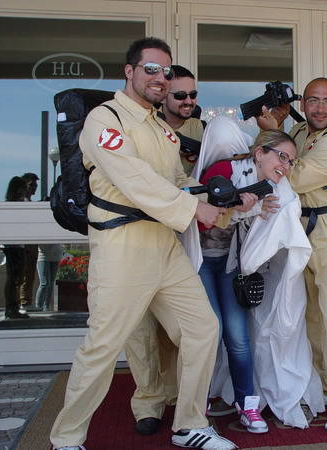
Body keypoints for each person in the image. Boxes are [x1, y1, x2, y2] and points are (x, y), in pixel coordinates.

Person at [49, 37, 236, 450]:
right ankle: (66, 438)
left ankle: (189, 424)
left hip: (164, 245)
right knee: (103, 346)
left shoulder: (162, 131)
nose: (159, 77)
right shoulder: (105, 119)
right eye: (151, 68)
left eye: (165, 71)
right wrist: (194, 209)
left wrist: (226, 199)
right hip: (123, 245)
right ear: (130, 71)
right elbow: (134, 179)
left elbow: (175, 182)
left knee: (202, 329)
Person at [184, 116, 324, 429]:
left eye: (291, 161)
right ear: (259, 153)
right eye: (282, 156)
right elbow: (200, 220)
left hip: (231, 264)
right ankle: (196, 403)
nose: (285, 165)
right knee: (210, 331)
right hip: (202, 261)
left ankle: (247, 404)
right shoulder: (223, 170)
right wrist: (243, 210)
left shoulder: (272, 185)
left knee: (238, 336)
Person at [257, 77, 327, 430]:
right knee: (312, 318)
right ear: (303, 103)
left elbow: (291, 177)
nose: (320, 108)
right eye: (313, 100)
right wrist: (278, 131)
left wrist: (271, 135)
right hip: (302, 228)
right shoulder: (300, 131)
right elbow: (273, 163)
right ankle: (326, 388)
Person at [125, 64, 204, 436]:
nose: (188, 101)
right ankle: (149, 403)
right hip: (134, 237)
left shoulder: (200, 129)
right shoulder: (141, 126)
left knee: (184, 327)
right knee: (140, 329)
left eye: (193, 95)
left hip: (180, 240)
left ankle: (179, 400)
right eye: (180, 95)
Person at [1, 176, 29, 319]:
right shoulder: (12, 206)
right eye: (24, 188)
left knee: (16, 277)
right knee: (13, 277)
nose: (25, 191)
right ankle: (11, 308)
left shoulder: (19, 204)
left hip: (17, 245)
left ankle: (13, 307)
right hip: (13, 246)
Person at [19, 172, 39, 313]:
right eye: (32, 185)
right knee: (24, 273)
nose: (34, 188)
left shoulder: (30, 202)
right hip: (23, 244)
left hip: (31, 243)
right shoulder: (21, 203)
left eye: (35, 185)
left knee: (30, 273)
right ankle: (23, 301)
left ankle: (27, 300)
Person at [35, 243, 62, 311]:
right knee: (44, 283)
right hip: (43, 256)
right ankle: (38, 306)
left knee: (51, 283)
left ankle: (46, 306)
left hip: (56, 256)